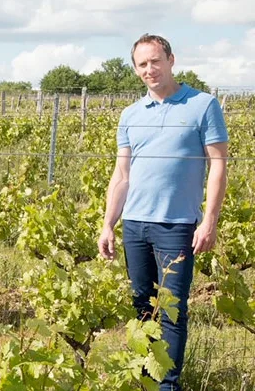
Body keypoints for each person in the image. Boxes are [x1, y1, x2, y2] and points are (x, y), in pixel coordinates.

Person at [97, 34, 228, 390]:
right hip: (136, 226)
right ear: (136, 69)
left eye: (156, 61)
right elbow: (121, 174)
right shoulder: (131, 114)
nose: (150, 70)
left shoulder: (203, 105)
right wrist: (109, 224)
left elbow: (218, 165)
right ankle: (146, 379)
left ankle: (167, 385)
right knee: (142, 307)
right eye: (142, 64)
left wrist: (210, 221)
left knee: (170, 310)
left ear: (171, 60)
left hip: (178, 226)